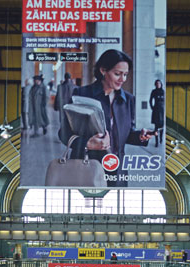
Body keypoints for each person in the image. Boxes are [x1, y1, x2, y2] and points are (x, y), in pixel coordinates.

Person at [60, 49, 154, 187]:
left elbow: (123, 135)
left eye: (126, 75)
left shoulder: (128, 100)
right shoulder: (81, 94)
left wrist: (140, 136)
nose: (123, 79)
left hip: (117, 170)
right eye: (117, 74)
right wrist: (87, 143)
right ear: (103, 70)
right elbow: (63, 133)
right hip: (87, 167)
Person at [149, 79, 164, 147]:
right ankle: (156, 142)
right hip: (156, 110)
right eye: (157, 83)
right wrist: (152, 108)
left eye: (159, 83)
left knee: (162, 126)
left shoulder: (163, 91)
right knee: (156, 127)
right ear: (155, 84)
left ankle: (161, 139)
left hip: (162, 110)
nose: (158, 85)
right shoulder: (154, 91)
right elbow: (150, 100)